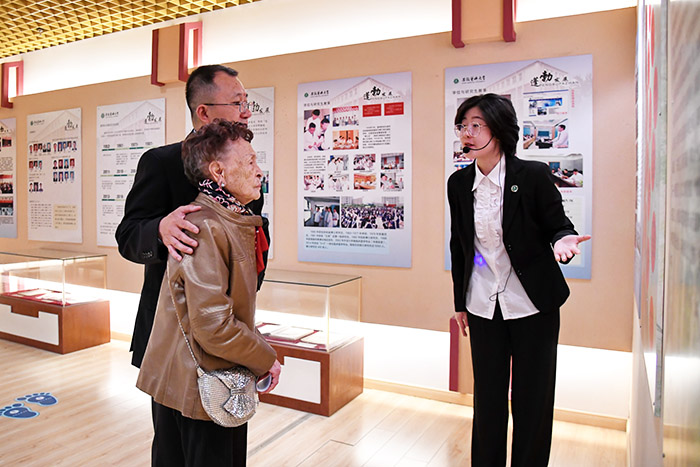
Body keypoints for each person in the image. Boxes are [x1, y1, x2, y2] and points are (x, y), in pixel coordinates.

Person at [447, 94, 590, 466]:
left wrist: (563, 240)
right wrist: (460, 302)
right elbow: (460, 245)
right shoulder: (458, 183)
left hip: (533, 304)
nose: (467, 133)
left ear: (499, 129)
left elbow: (558, 225)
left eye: (476, 125)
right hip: (483, 304)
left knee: (533, 399)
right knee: (488, 399)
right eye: (463, 126)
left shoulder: (532, 176)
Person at [137, 120, 281, 467]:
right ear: (218, 172)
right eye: (249, 162)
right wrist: (266, 358)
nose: (259, 172)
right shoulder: (206, 226)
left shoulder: (227, 219)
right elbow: (214, 327)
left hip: (202, 379)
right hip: (201, 386)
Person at [115, 64, 269, 369]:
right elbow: (128, 235)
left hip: (229, 327)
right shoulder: (161, 162)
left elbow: (254, 236)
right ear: (204, 112)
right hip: (171, 333)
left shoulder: (241, 167)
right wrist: (160, 229)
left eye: (246, 102)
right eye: (237, 103)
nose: (247, 112)